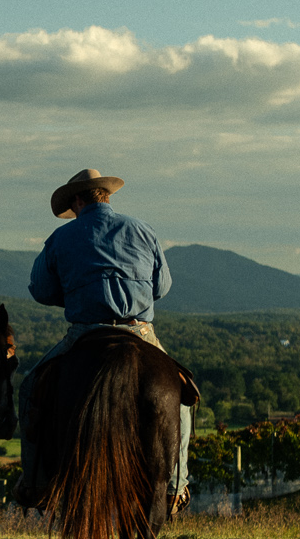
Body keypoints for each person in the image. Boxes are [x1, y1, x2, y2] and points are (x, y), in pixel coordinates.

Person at [15, 168, 191, 511]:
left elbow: (41, 290)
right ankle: (176, 485)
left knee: (30, 388)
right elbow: (162, 287)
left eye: (72, 204)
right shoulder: (143, 230)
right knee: (182, 395)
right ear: (106, 196)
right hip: (140, 331)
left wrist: (75, 291)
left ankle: (35, 482)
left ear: (79, 199)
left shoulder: (60, 238)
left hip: (86, 331)